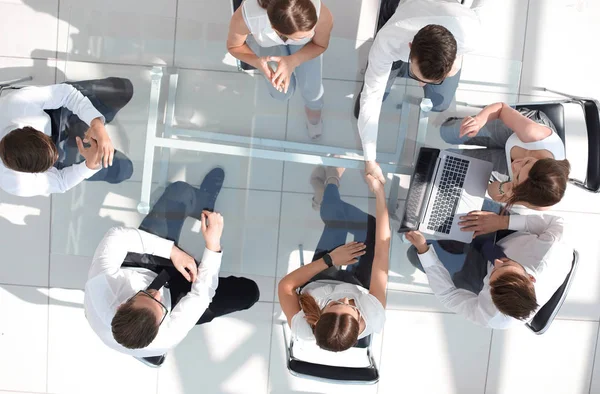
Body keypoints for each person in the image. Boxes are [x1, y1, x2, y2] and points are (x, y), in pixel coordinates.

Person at [84, 169, 260, 364]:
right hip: (175, 301)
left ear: (121, 305)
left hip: (141, 263)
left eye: (146, 295)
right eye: (159, 305)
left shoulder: (100, 287)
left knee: (179, 193)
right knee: (249, 292)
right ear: (159, 326)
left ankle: (203, 201)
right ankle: (145, 350)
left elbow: (117, 236)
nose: (157, 294)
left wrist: (172, 252)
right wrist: (213, 245)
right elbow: (201, 296)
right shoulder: (168, 335)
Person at [354, 0, 481, 184]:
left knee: (440, 102)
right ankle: (402, 70)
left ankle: (420, 72)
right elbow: (371, 96)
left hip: (451, 22)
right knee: (363, 107)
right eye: (417, 75)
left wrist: (454, 65)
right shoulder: (389, 39)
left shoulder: (470, 32)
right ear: (410, 46)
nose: (420, 83)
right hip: (403, 14)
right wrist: (369, 158)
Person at [278, 166, 390, 352]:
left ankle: (331, 183)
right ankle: (325, 199)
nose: (344, 298)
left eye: (333, 304)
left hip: (321, 276)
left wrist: (330, 259)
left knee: (337, 220)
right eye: (351, 306)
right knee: (372, 225)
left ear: (318, 319)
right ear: (360, 320)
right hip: (358, 283)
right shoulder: (373, 314)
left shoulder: (303, 326)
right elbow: (382, 251)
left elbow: (285, 286)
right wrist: (379, 192)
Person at [404, 210, 573, 329]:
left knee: (414, 254)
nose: (497, 262)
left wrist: (424, 250)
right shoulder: (551, 249)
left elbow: (448, 295)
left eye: (493, 276)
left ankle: (457, 245)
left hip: (479, 270)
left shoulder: (493, 315)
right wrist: (501, 222)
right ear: (531, 278)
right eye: (506, 264)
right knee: (459, 208)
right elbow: (556, 222)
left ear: (490, 294)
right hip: (507, 234)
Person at [0, 78, 134, 197]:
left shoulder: (15, 104)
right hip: (62, 156)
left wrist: (96, 124)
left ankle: (101, 118)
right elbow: (61, 182)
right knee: (123, 170)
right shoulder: (12, 182)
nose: (57, 156)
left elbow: (67, 95)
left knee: (123, 89)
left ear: (28, 127)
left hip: (59, 114)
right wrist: (89, 166)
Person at [227, 0, 333, 139]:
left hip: (307, 47)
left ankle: (314, 108)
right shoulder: (246, 17)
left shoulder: (322, 15)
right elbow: (234, 46)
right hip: (268, 44)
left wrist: (293, 60)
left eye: (312, 30)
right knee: (282, 93)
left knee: (313, 88)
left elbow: (319, 44)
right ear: (274, 28)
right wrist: (258, 62)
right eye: (303, 35)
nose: (311, 34)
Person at [440, 102, 571, 210]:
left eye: (517, 176)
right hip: (517, 134)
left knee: (447, 162)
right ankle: (453, 121)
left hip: (516, 168)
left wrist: (506, 188)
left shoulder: (536, 197)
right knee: (447, 132)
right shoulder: (533, 133)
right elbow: (501, 109)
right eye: (527, 163)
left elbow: (492, 191)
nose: (515, 165)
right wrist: (479, 121)